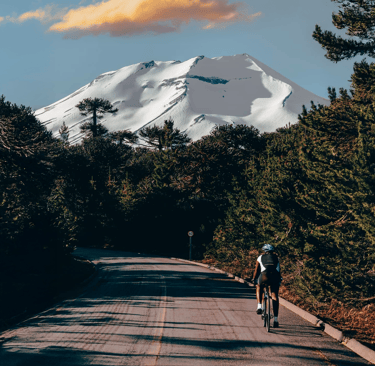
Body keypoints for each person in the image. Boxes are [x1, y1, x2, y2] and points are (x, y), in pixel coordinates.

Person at [252, 244, 281, 328]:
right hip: (274, 277)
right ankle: (275, 320)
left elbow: (257, 270)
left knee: (259, 286)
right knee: (275, 295)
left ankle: (259, 306)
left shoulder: (260, 257)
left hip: (264, 276)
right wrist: (279, 279)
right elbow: (278, 271)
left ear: (264, 251)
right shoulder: (277, 258)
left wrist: (254, 279)